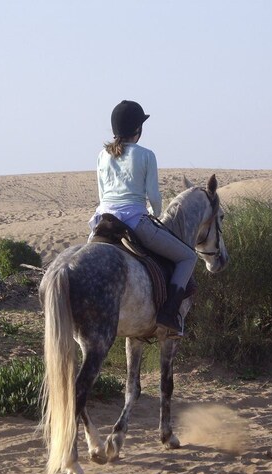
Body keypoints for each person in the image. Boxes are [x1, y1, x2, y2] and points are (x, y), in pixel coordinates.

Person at [88, 100, 197, 334]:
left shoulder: (101, 156)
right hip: (135, 222)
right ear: (138, 129)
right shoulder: (146, 155)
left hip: (102, 223)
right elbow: (155, 197)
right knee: (188, 257)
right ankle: (169, 314)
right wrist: (156, 215)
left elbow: (101, 194)